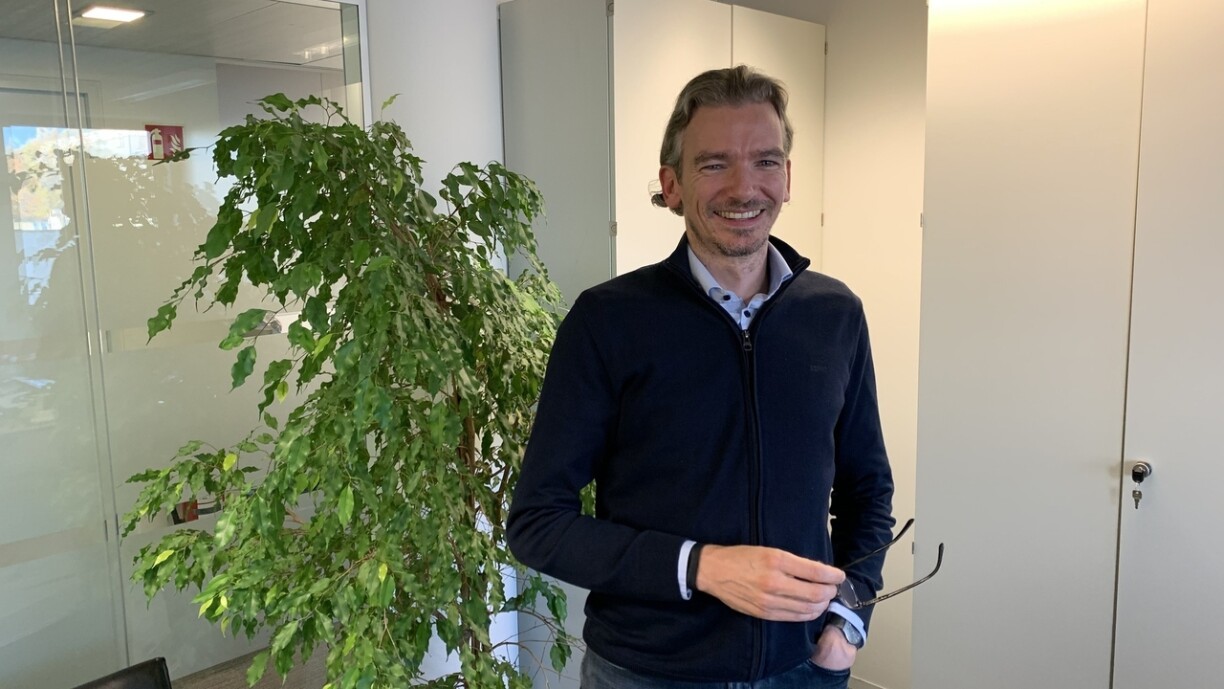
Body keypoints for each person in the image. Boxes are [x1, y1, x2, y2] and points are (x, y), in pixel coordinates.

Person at [507, 65, 895, 689]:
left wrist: (849, 621)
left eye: (766, 161)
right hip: (647, 673)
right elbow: (538, 523)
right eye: (715, 164)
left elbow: (867, 490)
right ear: (672, 186)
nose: (745, 187)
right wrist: (702, 567)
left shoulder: (835, 314)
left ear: (788, 177)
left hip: (804, 669)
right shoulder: (608, 321)